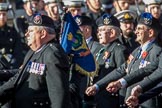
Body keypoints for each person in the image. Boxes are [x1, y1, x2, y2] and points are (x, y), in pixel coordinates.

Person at [85, 12, 162, 108]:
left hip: (147, 103)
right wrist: (97, 86)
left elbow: (155, 74)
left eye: (139, 29)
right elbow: (121, 70)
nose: (135, 31)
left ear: (150, 32)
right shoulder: (137, 51)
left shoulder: (157, 51)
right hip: (131, 101)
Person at [0, 13, 70, 108]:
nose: (26, 34)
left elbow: (58, 93)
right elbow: (18, 78)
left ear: (43, 34)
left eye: (31, 31)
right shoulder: (33, 51)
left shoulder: (53, 54)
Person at [90, 13, 126, 108]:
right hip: (98, 99)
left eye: (102, 30)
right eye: (98, 30)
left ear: (112, 33)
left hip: (112, 101)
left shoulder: (119, 50)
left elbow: (123, 75)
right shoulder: (99, 50)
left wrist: (122, 103)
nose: (98, 34)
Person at [74, 15, 103, 108]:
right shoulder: (72, 47)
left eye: (76, 28)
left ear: (86, 30)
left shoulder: (98, 48)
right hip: (74, 94)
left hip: (89, 97)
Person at [0, 2, 24, 69]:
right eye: (0, 14)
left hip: (12, 66)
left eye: (4, 14)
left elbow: (18, 51)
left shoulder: (12, 31)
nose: (2, 17)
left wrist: (14, 65)